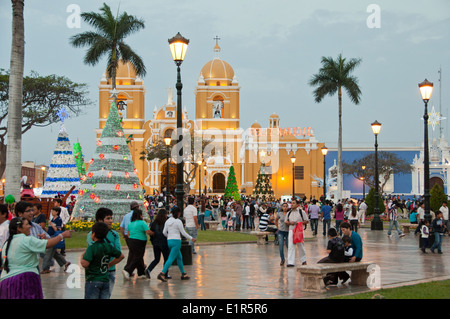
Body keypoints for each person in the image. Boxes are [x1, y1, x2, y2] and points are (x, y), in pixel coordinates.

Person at [0, 217, 71, 299]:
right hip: (24, 280)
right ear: (19, 228)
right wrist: (62, 235)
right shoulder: (26, 240)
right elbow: (47, 244)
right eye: (27, 224)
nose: (30, 226)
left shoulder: (7, 243)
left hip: (5, 282)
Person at [81, 222, 124, 299]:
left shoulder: (92, 248)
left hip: (93, 280)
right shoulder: (108, 246)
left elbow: (85, 264)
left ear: (93, 234)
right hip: (105, 280)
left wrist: (82, 257)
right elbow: (121, 256)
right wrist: (110, 264)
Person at [87, 207, 121, 297]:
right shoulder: (91, 234)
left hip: (110, 271)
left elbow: (118, 252)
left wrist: (109, 265)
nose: (111, 221)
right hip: (95, 273)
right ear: (100, 220)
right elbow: (95, 251)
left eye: (111, 218)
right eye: (108, 218)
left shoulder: (114, 234)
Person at [158, 207, 195, 282]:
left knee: (179, 257)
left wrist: (168, 237)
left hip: (169, 241)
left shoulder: (167, 221)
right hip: (176, 241)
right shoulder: (178, 221)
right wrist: (191, 238)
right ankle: (162, 273)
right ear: (178, 213)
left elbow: (164, 232)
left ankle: (183, 273)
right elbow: (183, 233)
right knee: (171, 258)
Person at [122, 208, 151, 280]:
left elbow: (128, 233)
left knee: (137, 256)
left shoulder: (130, 223)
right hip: (140, 241)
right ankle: (127, 270)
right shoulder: (142, 223)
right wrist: (153, 233)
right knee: (138, 257)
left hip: (131, 240)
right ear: (140, 215)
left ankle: (141, 273)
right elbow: (148, 231)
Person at [41, 207, 71, 274]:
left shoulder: (59, 220)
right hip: (50, 236)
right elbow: (50, 229)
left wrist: (51, 224)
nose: (52, 212)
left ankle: (45, 268)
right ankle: (65, 262)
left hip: (54, 237)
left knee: (48, 253)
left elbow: (57, 229)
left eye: (53, 211)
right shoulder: (52, 219)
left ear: (57, 212)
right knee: (54, 253)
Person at [145, 209, 170, 279]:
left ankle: (149, 270)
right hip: (164, 243)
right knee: (166, 259)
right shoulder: (165, 223)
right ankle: (165, 273)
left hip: (156, 243)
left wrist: (153, 241)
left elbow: (152, 233)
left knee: (156, 259)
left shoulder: (154, 223)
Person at [285, 199, 309, 267]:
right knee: (291, 246)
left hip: (299, 230)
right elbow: (286, 221)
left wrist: (299, 223)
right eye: (291, 203)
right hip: (291, 230)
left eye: (293, 203)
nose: (292, 204)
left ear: (297, 204)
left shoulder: (301, 212)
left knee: (300, 245)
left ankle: (303, 260)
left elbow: (306, 220)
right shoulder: (289, 213)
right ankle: (290, 262)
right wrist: (290, 223)